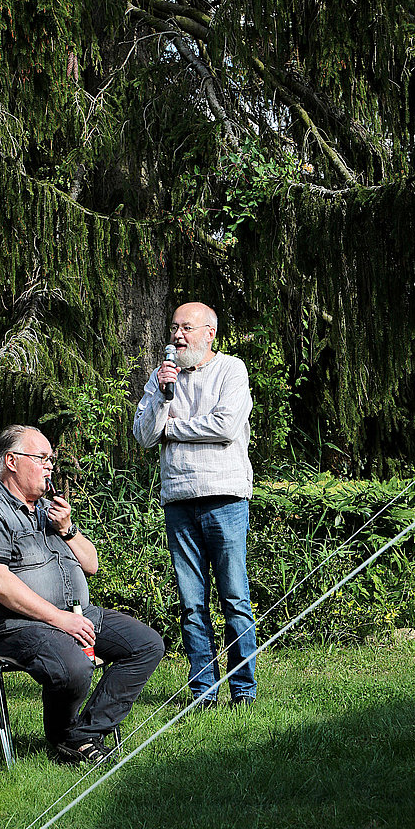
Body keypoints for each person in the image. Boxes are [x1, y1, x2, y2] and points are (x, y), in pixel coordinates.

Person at [0, 424, 164, 765]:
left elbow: (91, 564)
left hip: (74, 614)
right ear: (11, 461)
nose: (50, 466)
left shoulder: (48, 511)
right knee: (74, 666)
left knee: (145, 645)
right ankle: (71, 741)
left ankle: (81, 737)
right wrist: (58, 619)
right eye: (42, 458)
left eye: (51, 459)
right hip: (10, 625)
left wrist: (67, 529)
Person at [133, 302, 257, 709]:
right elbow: (144, 435)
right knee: (191, 604)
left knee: (234, 598)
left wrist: (173, 428)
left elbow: (224, 426)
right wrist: (163, 399)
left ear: (210, 333)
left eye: (187, 327)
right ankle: (203, 694)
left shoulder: (231, 370)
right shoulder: (160, 378)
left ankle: (243, 693)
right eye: (174, 327)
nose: (178, 335)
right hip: (179, 501)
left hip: (225, 497)